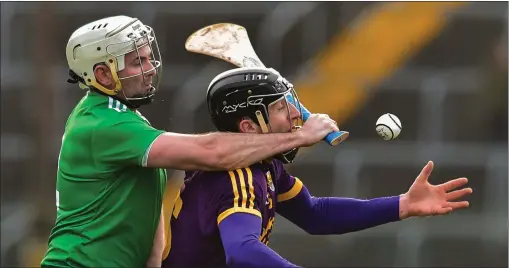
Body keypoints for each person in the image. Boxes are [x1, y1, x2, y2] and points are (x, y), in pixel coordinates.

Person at [40, 16, 339, 268]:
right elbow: (210, 152)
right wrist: (297, 136)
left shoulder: (124, 119)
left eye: (147, 57)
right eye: (137, 62)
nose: (151, 68)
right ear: (103, 75)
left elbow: (147, 213)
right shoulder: (103, 124)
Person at [161, 67, 473, 268]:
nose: (296, 114)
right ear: (249, 126)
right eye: (281, 107)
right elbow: (241, 251)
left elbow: (314, 213)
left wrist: (403, 204)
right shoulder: (237, 176)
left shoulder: (262, 166)